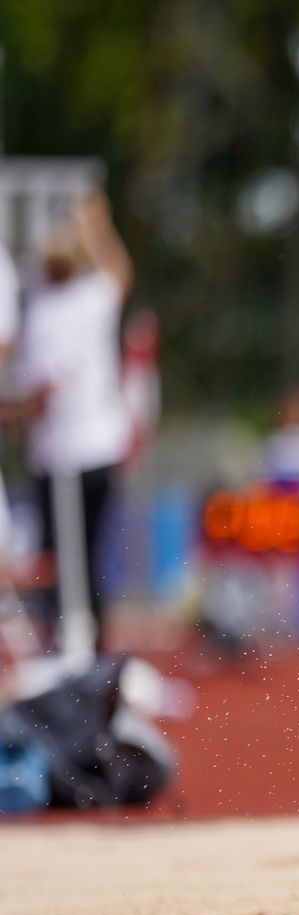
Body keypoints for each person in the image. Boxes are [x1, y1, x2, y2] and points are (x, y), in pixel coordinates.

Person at [11, 189, 136, 656]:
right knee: (85, 557)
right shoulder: (88, 301)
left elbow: (39, 392)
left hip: (63, 454)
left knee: (62, 559)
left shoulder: (47, 313)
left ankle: (71, 648)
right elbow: (120, 272)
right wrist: (98, 227)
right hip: (95, 448)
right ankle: (88, 648)